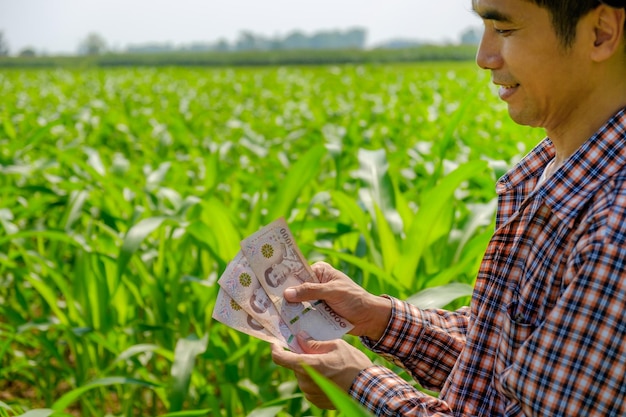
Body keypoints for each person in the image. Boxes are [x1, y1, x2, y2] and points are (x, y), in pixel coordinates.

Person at [271, 0, 626, 415]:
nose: (483, 57)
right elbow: (505, 361)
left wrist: (359, 382)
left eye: (505, 30)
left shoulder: (613, 230)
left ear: (600, 32)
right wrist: (377, 317)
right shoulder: (556, 172)